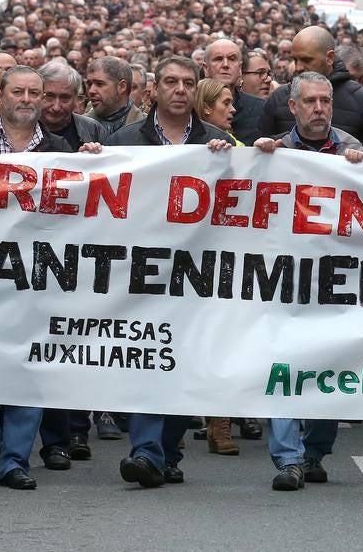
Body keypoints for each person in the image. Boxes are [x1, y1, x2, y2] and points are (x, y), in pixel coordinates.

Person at [0, 66, 93, 490]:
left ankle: (15, 460)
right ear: (0, 95)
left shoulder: (61, 150)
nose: (29, 99)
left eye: (36, 92)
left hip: (37, 274)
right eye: (20, 91)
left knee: (30, 367)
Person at [108, 56, 234, 488]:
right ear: (154, 91)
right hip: (140, 271)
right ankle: (145, 451)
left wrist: (232, 160)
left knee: (181, 361)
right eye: (170, 82)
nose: (179, 90)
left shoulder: (218, 141)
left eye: (187, 83)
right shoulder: (125, 139)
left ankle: (168, 450)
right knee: (147, 359)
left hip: (197, 273)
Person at [253, 71, 363, 491]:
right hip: (283, 282)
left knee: (326, 372)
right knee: (284, 368)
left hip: (335, 284)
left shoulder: (352, 151)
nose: (319, 109)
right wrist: (257, 159)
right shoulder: (272, 152)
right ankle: (288, 459)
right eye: (311, 102)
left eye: (325, 102)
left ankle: (315, 451)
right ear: (293, 106)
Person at [258, 26, 363, 140]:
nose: (298, 67)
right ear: (292, 105)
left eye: (306, 60)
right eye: (295, 60)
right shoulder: (279, 98)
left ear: (329, 58)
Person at [38, 59, 108, 150]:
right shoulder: (20, 129)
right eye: (49, 96)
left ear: (76, 99)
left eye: (65, 98)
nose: (56, 107)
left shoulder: (93, 130)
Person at [86, 56, 146, 133]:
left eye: (99, 84)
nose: (91, 91)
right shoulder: (79, 127)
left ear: (122, 86)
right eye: (89, 84)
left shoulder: (146, 128)